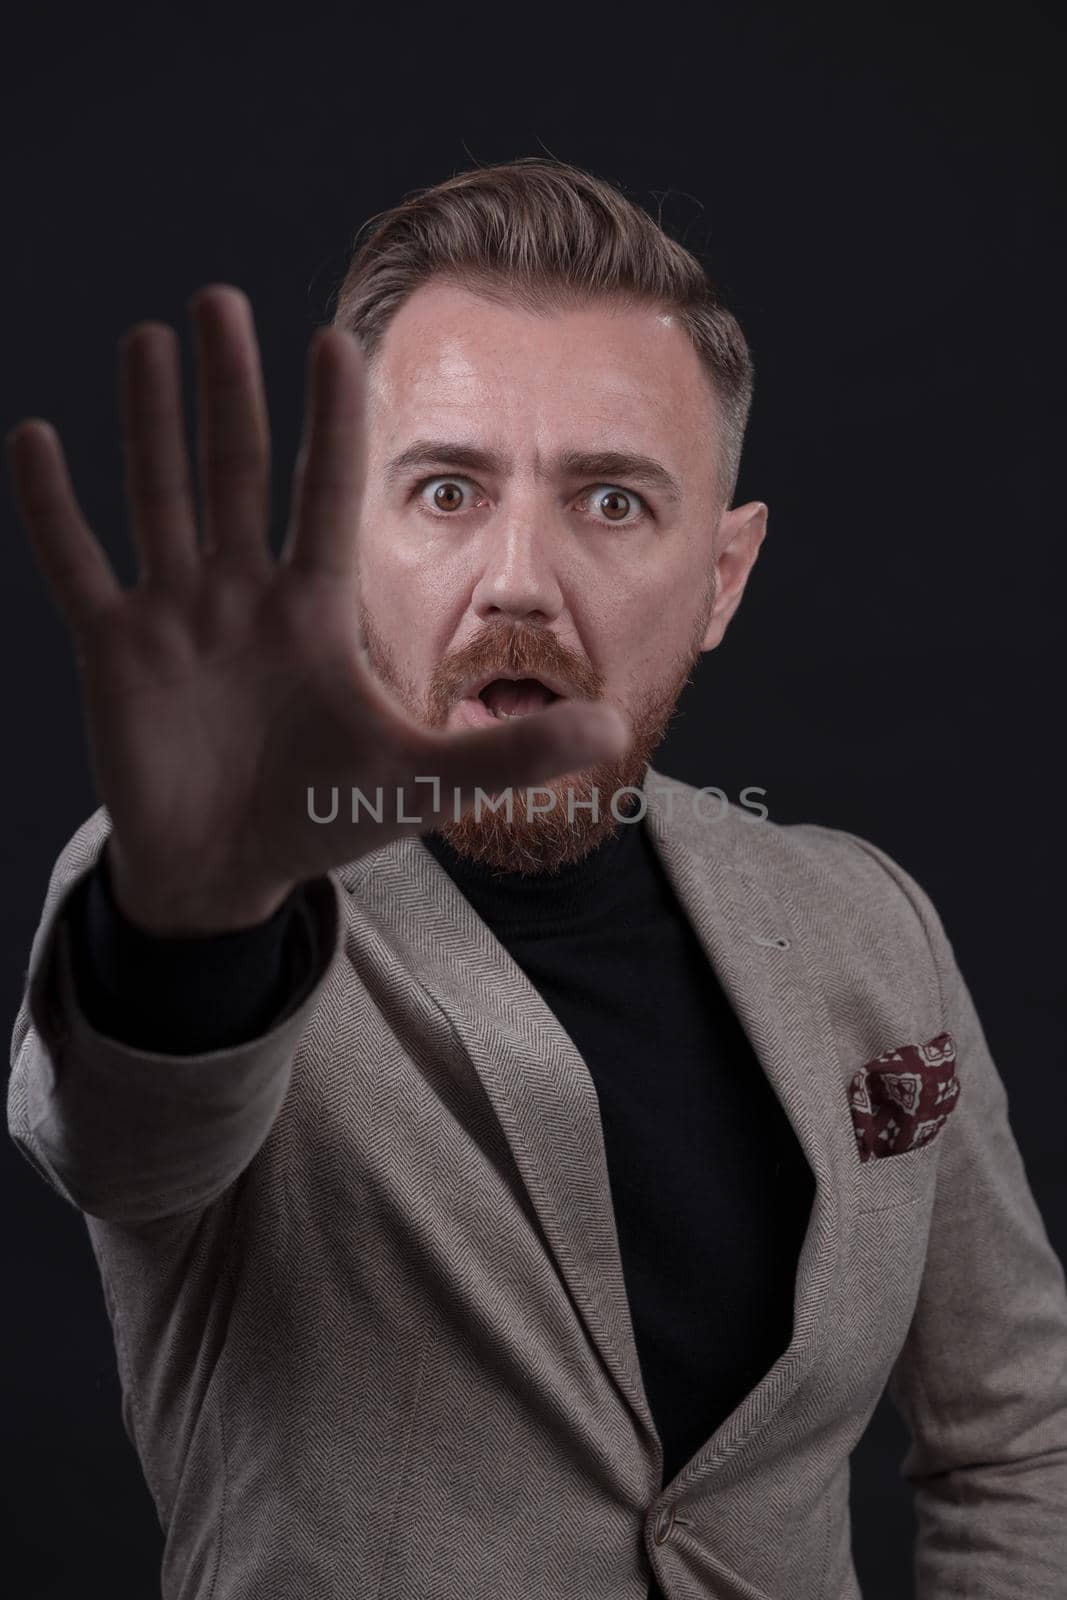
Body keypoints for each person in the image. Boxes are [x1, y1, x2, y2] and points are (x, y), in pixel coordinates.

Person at [7, 157, 1067, 1600]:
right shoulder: (211, 892)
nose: (516, 578)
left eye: (613, 502)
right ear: (343, 550)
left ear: (723, 577)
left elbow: (1020, 1430)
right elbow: (124, 1135)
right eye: (445, 489)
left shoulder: (866, 926)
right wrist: (187, 917)